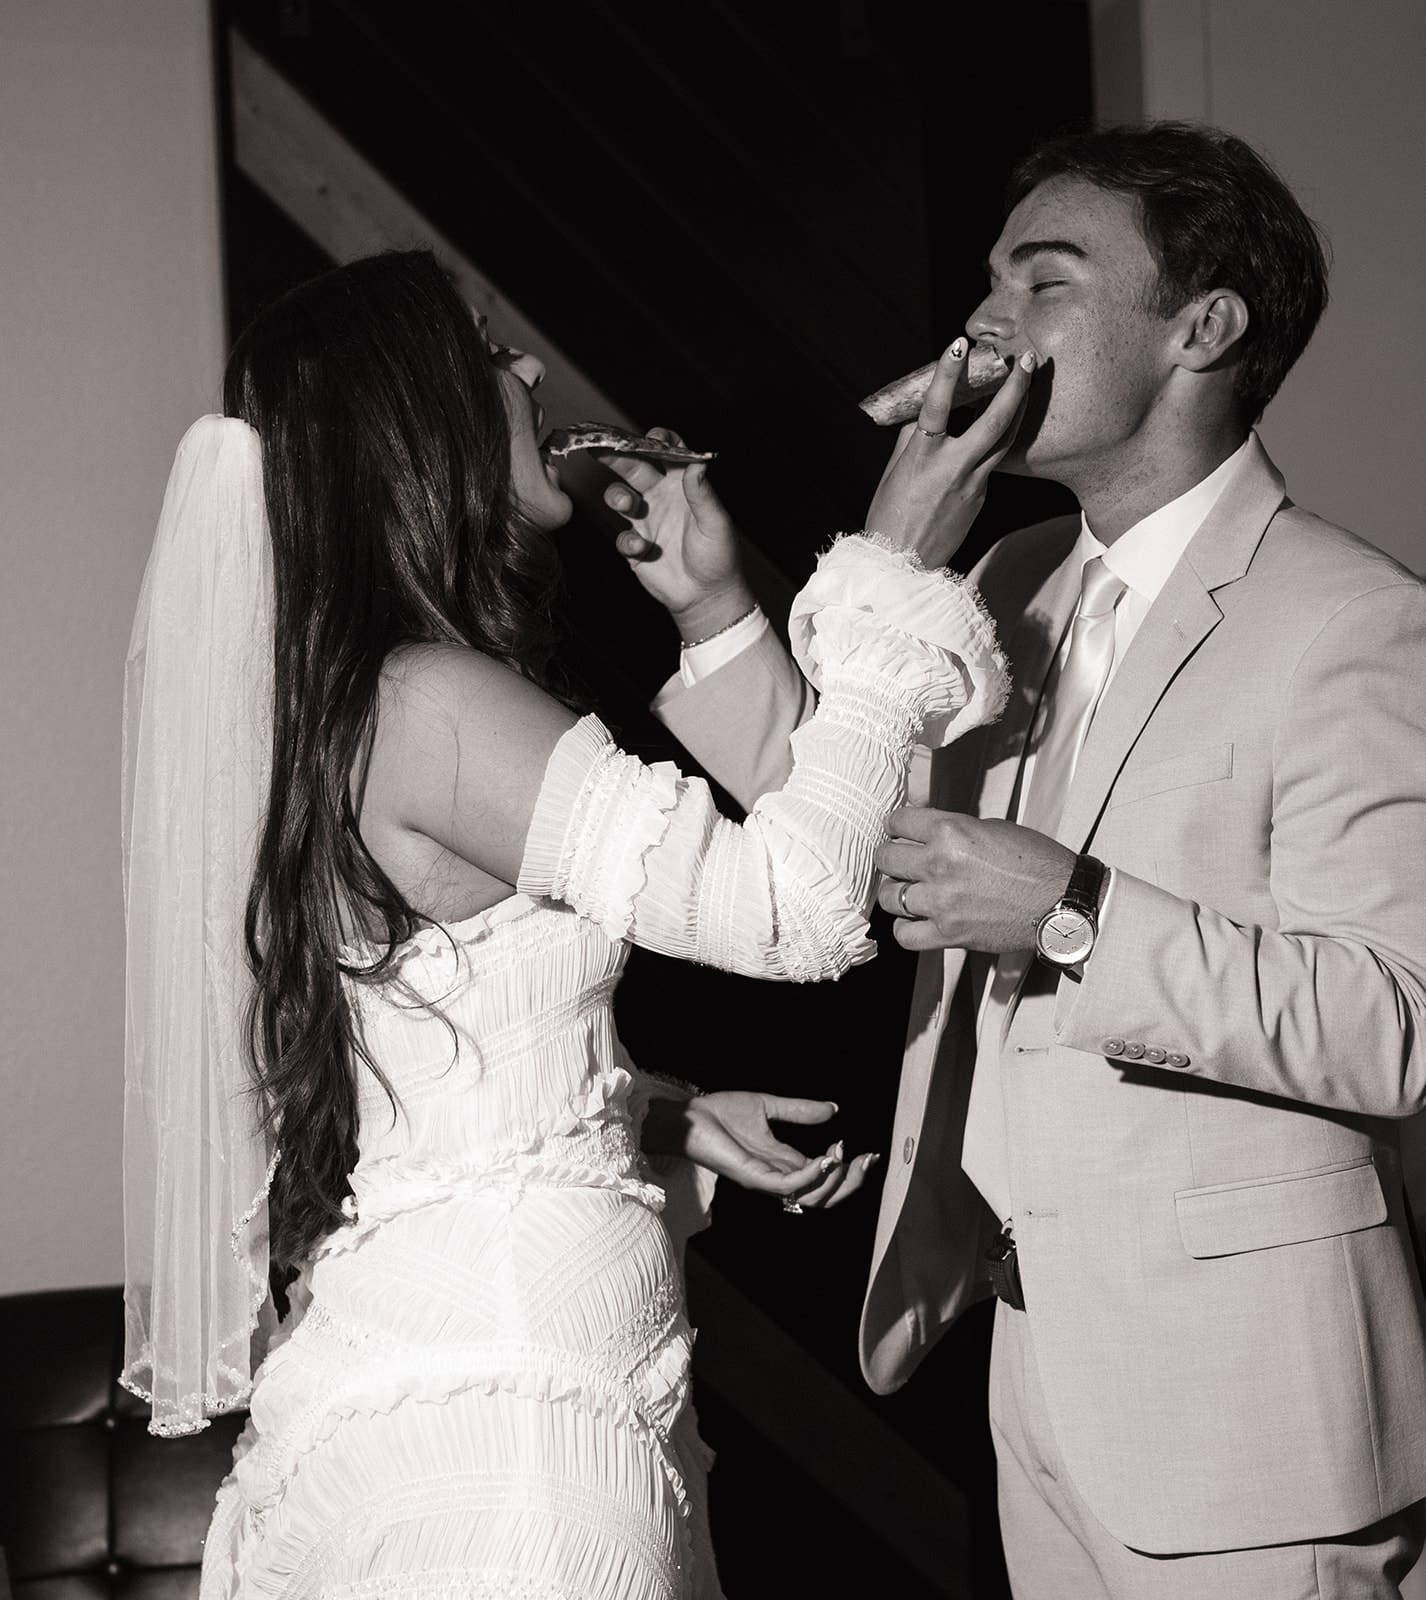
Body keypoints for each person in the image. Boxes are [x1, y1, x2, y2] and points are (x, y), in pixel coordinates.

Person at [119, 250, 1024, 1599]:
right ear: (415, 420)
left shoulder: (348, 699)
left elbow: (429, 1048)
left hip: (476, 1367)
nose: (530, 370)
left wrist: (651, 1116)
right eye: (488, 352)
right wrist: (891, 565)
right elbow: (800, 909)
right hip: (512, 1425)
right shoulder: (428, 699)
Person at [620, 123, 1426, 1596]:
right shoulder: (1005, 586)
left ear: (1202, 326)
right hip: (1031, 1380)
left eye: (1043, 281)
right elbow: (855, 847)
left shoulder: (1351, 618)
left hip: (1250, 1423)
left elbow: (1396, 1022)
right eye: (989, 281)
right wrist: (719, 613)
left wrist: (1069, 913)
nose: (984, 323)